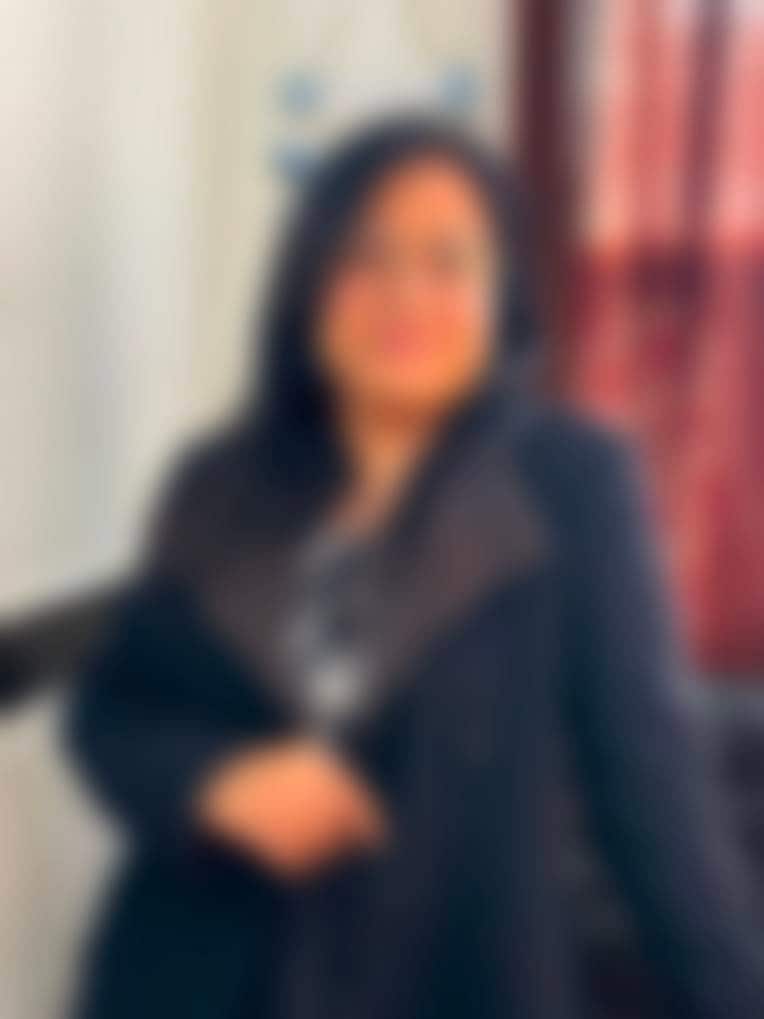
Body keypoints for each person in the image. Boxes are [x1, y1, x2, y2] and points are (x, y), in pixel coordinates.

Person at [67, 116, 763, 1019]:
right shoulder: (218, 483)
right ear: (309, 286)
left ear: (501, 298)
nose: (406, 293)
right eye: (366, 256)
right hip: (198, 979)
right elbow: (111, 711)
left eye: (448, 260)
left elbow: (654, 795)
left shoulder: (573, 484)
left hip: (453, 981)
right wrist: (212, 781)